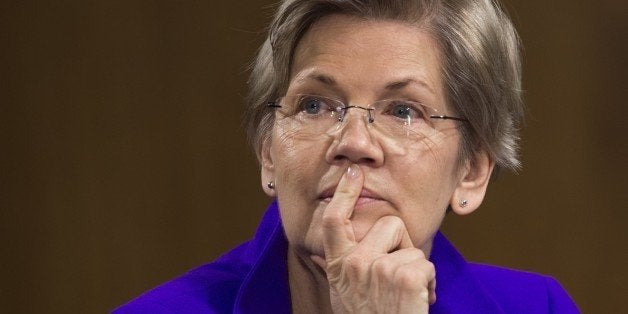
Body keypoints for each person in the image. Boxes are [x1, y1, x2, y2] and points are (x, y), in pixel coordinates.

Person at [115, 0, 579, 312]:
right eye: (314, 105)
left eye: (403, 111)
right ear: (268, 153)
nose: (353, 141)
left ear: (472, 172)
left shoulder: (539, 306)